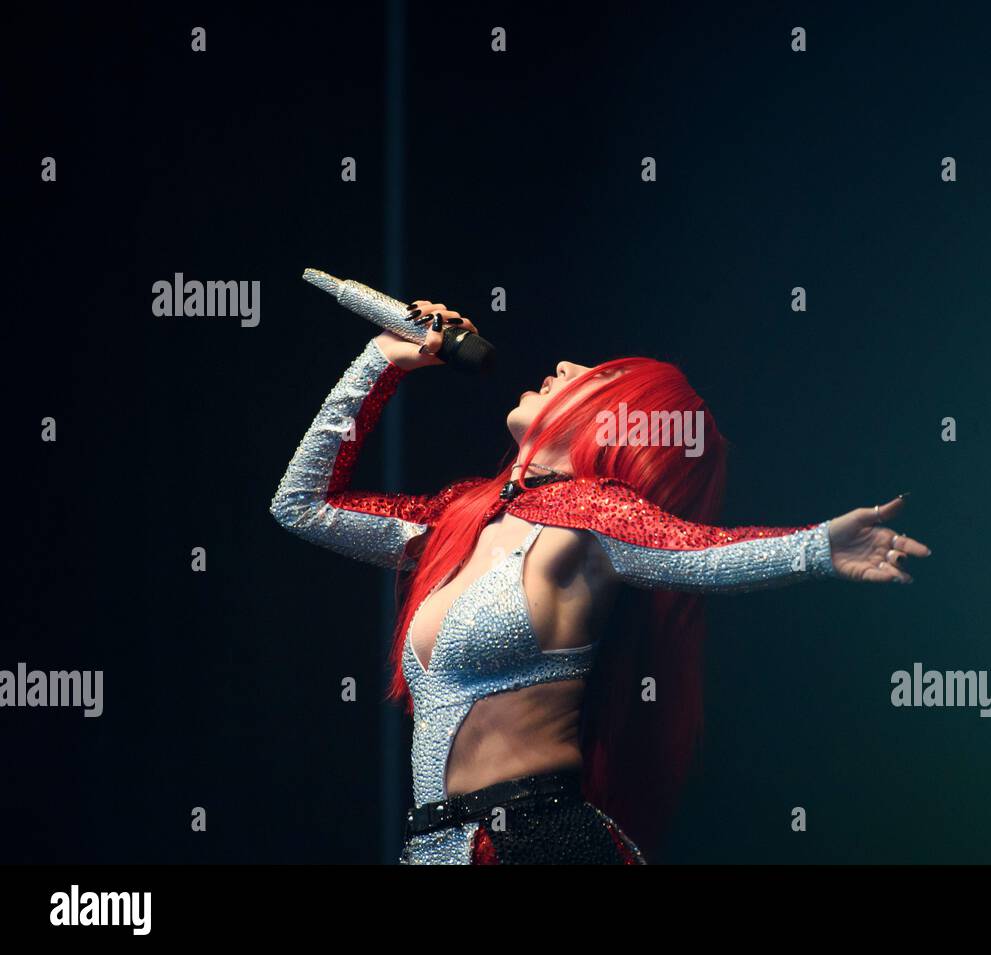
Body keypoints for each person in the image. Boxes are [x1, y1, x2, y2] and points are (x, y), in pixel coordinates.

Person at [270, 301, 930, 864]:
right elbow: (302, 505)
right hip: (437, 847)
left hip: (542, 842)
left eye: (594, 377)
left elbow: (696, 554)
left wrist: (817, 546)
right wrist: (384, 359)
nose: (561, 367)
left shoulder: (592, 514)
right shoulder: (457, 519)